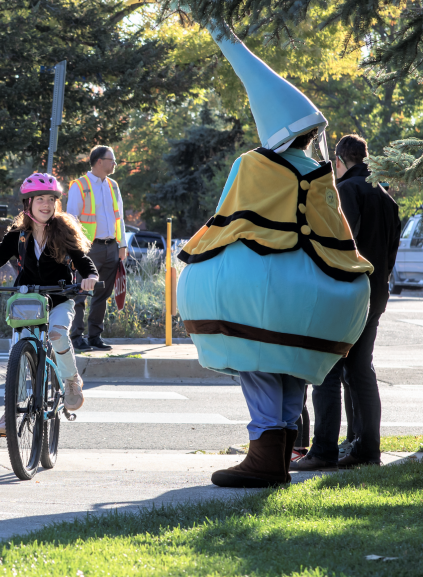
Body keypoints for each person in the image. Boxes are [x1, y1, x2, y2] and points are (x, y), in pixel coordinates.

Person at [176, 21, 373, 489]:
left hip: (263, 288)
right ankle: (279, 455)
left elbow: (228, 217)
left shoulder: (254, 163)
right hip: (316, 292)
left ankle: (264, 455)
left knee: (258, 361)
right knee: (292, 369)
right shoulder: (320, 172)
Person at [292, 135, 401, 471]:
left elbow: (340, 244)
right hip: (376, 291)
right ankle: (366, 450)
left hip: (347, 291)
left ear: (339, 160)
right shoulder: (386, 197)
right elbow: (391, 252)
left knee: (327, 367)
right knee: (360, 369)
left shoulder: (347, 192)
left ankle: (323, 451)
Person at [0, 173, 100, 436]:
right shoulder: (18, 234)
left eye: (51, 199)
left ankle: (71, 381)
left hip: (60, 297)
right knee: (19, 350)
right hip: (28, 300)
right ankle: (11, 411)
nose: (46, 204)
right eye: (40, 199)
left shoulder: (63, 231)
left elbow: (81, 258)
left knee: (57, 333)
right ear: (28, 204)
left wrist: (90, 277)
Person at [65, 146, 127, 352]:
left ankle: (94, 337)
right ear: (99, 161)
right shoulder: (79, 186)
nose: (114, 164)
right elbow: (71, 220)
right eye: (112, 160)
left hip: (111, 248)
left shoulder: (113, 186)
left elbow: (120, 218)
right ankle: (76, 337)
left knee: (102, 294)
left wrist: (122, 245)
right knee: (81, 293)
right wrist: (75, 251)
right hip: (87, 249)